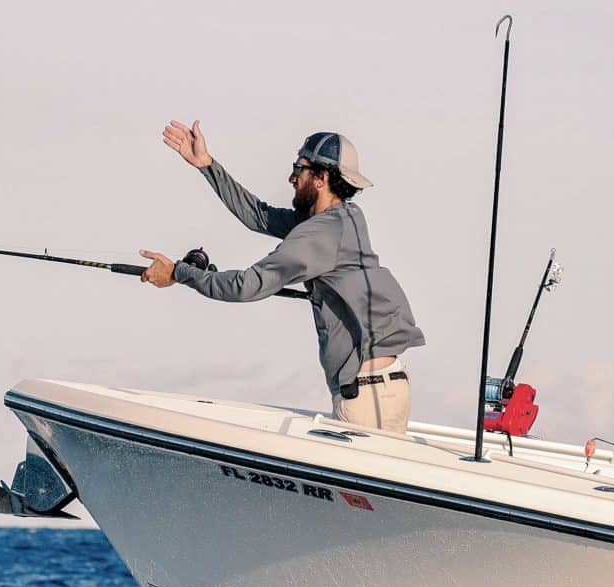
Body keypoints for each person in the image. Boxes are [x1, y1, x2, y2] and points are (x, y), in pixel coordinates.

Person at [139, 120, 425, 434]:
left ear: (321, 177)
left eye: (298, 168)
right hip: (383, 387)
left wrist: (180, 272)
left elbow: (246, 286)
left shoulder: (319, 235)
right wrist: (207, 165)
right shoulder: (346, 218)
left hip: (365, 395)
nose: (291, 177)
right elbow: (258, 216)